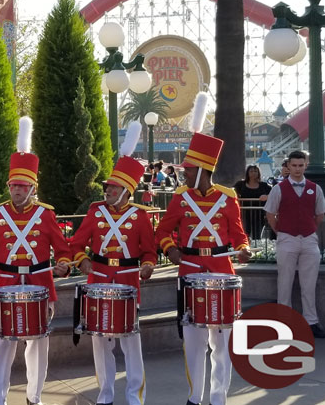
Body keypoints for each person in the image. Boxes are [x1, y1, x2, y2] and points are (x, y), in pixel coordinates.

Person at [154, 93, 251, 405]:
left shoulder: (228, 198)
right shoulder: (181, 198)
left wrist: (244, 248)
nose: (183, 174)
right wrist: (170, 250)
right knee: (194, 342)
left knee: (222, 343)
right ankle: (195, 397)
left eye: (189, 170)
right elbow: (163, 230)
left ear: (204, 170)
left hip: (222, 272)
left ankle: (219, 397)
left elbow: (238, 234)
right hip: (190, 271)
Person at [0, 117, 72, 405]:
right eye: (13, 185)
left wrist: (64, 263)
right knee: (3, 346)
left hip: (41, 283)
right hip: (5, 284)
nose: (15, 190)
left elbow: (62, 248)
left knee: (39, 346)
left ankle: (34, 398)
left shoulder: (46, 214)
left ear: (32, 187)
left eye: (21, 186)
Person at [69, 121, 156, 405]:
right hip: (99, 278)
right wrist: (82, 260)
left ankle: (135, 398)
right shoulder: (95, 213)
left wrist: (148, 266)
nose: (107, 190)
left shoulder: (141, 216)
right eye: (107, 186)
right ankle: (105, 396)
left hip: (129, 282)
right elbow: (75, 244)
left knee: (132, 343)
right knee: (100, 341)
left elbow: (149, 251)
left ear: (127, 190)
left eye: (113, 187)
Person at [264, 150, 325, 339]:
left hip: (308, 239)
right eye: (294, 165)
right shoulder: (278, 189)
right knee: (285, 282)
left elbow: (320, 215)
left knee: (309, 283)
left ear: (305, 165)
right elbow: (270, 214)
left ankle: (311, 322)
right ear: (288, 166)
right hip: (287, 238)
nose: (298, 169)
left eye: (301, 165)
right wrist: (282, 232)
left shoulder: (315, 188)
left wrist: (309, 229)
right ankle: (284, 324)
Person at [233, 165, 272, 240]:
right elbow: (232, 192)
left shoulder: (264, 185)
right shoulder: (240, 184)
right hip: (244, 214)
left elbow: (274, 193)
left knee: (257, 235)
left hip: (259, 215)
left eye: (255, 171)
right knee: (244, 234)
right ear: (247, 173)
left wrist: (267, 196)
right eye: (251, 171)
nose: (253, 173)